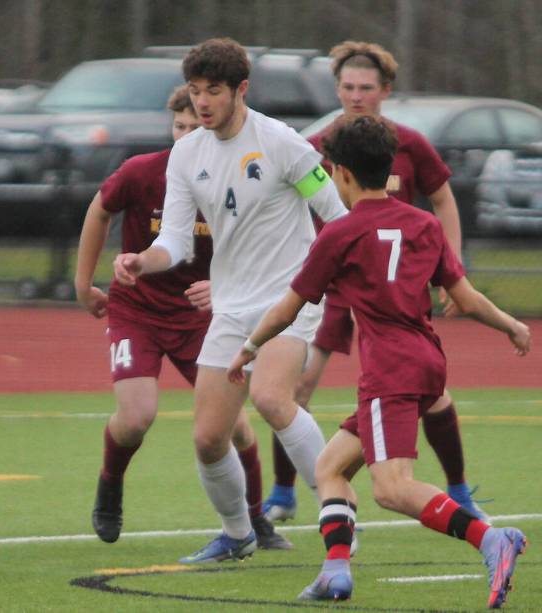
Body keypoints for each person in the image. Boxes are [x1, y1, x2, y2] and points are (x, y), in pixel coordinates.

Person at [227, 115, 530, 607]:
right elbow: (467, 299)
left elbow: (290, 305)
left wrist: (251, 345)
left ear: (341, 173)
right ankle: (334, 573)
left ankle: (490, 539)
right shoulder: (424, 224)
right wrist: (512, 325)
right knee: (330, 467)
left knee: (391, 488)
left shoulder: (339, 233)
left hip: (390, 370)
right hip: (428, 361)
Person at [113, 38, 348, 563]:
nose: (202, 103)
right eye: (195, 91)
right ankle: (238, 535)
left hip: (291, 298)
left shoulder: (284, 143)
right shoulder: (186, 153)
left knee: (271, 398)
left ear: (241, 89)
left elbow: (338, 217)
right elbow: (173, 241)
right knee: (208, 439)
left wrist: (337, 282)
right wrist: (140, 261)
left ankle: (337, 506)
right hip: (231, 306)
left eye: (213, 91)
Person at [263, 40, 488, 524]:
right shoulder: (321, 147)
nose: (357, 96)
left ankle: (459, 490)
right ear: (337, 89)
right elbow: (292, 209)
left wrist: (452, 269)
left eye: (366, 88)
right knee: (296, 387)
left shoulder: (406, 144)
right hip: (333, 284)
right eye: (347, 87)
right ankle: (283, 492)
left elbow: (443, 201)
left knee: (428, 395)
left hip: (387, 289)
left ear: (385, 91)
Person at [76, 85, 289, 550]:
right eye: (180, 127)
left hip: (205, 318)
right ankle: (110, 484)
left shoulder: (237, 177)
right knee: (135, 418)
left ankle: (256, 520)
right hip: (139, 311)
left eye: (196, 126)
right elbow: (99, 212)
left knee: (234, 427)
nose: (187, 135)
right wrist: (83, 283)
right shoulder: (142, 172)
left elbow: (261, 245)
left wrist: (226, 287)